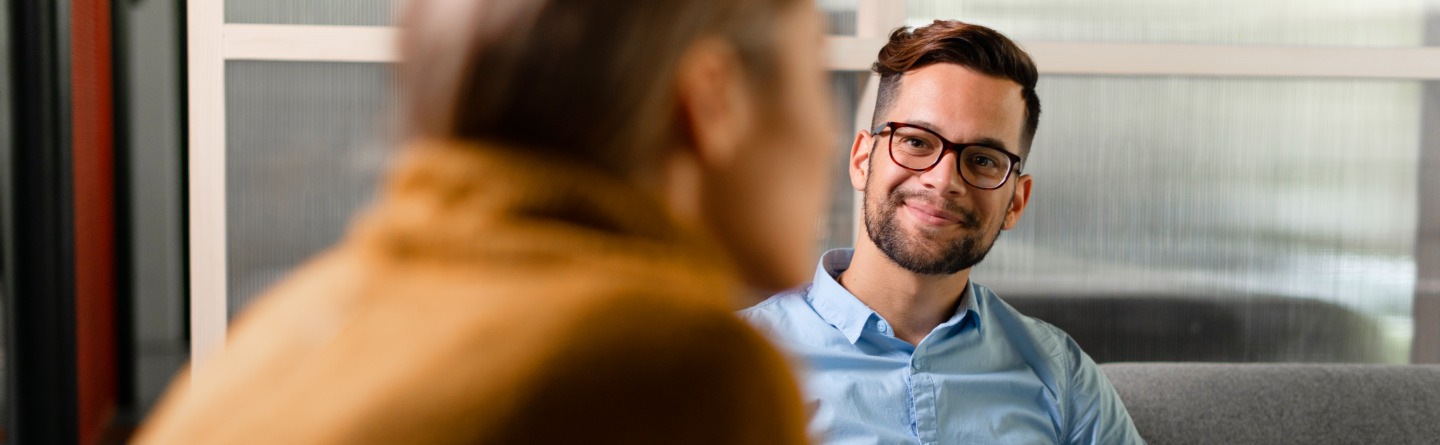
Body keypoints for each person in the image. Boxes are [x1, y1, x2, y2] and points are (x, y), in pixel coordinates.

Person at [135, 0, 834, 443]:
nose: (831, 137)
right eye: (814, 73)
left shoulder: (288, 323)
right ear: (714, 100)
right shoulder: (688, 370)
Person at [740, 20, 1145, 444]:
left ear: (1016, 202)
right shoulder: (736, 363)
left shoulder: (1062, 375)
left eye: (984, 160)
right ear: (862, 160)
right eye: (917, 142)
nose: (944, 179)